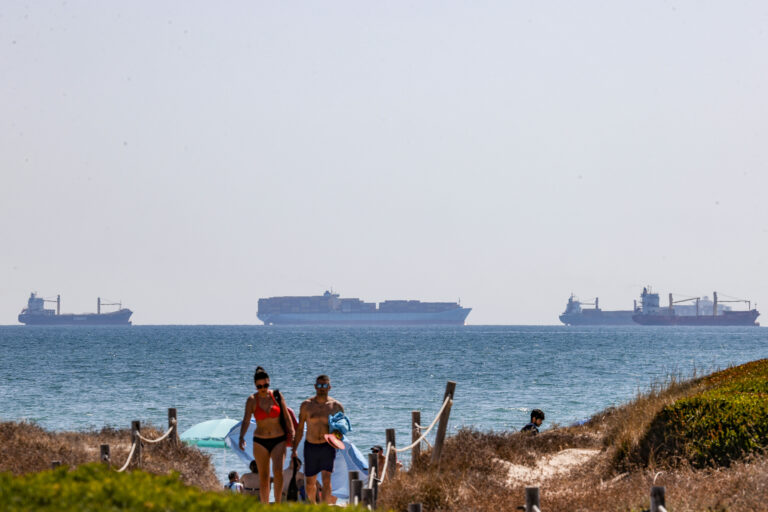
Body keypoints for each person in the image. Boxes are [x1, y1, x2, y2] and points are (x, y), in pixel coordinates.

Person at [239, 366, 295, 504]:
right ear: (255, 385)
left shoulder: (276, 396)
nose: (263, 388)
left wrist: (292, 432)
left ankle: (277, 504)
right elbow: (246, 420)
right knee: (263, 477)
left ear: (269, 382)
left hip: (278, 439)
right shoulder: (252, 400)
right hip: (260, 441)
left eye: (265, 385)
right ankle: (264, 506)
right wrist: (241, 437)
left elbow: (287, 417)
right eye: (259, 386)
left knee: (278, 472)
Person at [292, 374, 344, 504]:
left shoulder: (336, 406)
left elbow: (342, 430)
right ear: (315, 387)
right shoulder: (306, 405)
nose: (322, 388)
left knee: (327, 480)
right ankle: (314, 505)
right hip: (311, 446)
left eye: (325, 385)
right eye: (319, 385)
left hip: (327, 446)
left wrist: (337, 440)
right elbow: (299, 429)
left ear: (329, 387)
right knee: (310, 482)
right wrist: (294, 449)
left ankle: (324, 507)